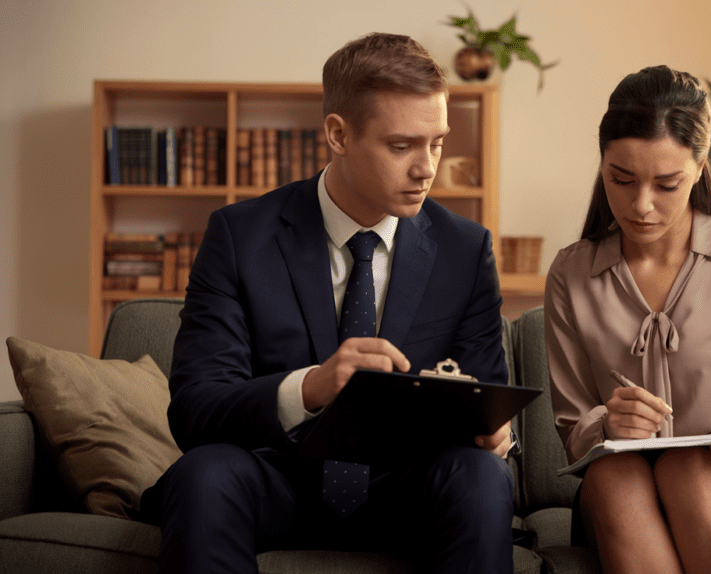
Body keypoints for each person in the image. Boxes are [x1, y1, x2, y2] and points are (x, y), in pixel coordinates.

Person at [140, 33, 516, 574]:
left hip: (406, 492)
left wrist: (494, 433)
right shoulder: (239, 236)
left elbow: (486, 398)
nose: (427, 168)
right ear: (338, 135)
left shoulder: (466, 249)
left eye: (437, 142)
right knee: (205, 472)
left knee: (481, 475)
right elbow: (195, 409)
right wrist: (313, 387)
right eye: (402, 145)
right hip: (278, 484)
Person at [544, 66, 711, 574]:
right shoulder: (571, 272)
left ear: (698, 169)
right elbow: (572, 425)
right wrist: (608, 421)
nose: (641, 205)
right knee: (614, 476)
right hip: (620, 488)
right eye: (620, 179)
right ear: (602, 164)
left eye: (666, 184)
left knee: (688, 468)